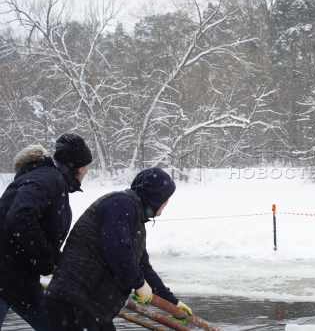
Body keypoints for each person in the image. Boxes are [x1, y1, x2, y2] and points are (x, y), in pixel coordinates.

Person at [46, 167, 192, 331]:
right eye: (166, 199)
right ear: (155, 198)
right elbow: (117, 250)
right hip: (75, 299)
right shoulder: (120, 204)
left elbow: (143, 267)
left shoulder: (135, 221)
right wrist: (138, 284)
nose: (166, 204)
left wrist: (172, 301)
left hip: (92, 306)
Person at [0, 134, 92, 330]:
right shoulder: (49, 179)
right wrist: (45, 259)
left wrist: (54, 260)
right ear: (73, 166)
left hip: (16, 275)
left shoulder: (45, 178)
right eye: (84, 165)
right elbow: (20, 217)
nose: (86, 171)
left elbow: (36, 225)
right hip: (10, 275)